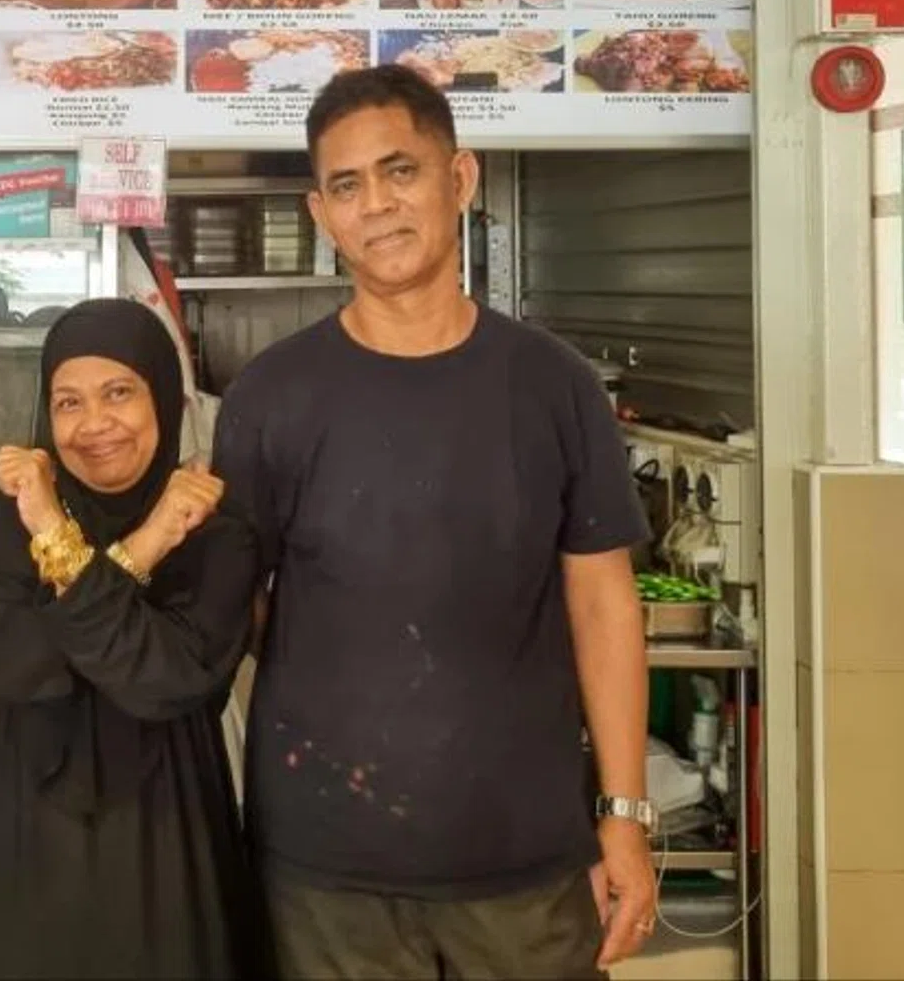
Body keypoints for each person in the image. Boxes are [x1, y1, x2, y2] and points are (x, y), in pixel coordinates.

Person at [215, 64, 657, 980]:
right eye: (347, 186)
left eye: (400, 170)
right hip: (328, 871)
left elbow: (605, 605)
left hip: (527, 860)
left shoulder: (554, 385)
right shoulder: (270, 398)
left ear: (460, 178)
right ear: (320, 215)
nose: (376, 205)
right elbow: (239, 601)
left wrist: (624, 814)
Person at [0, 299, 262, 980]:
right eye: (69, 402)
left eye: (119, 393)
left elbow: (163, 682)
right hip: (16, 832)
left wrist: (76, 565)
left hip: (168, 836)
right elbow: (22, 667)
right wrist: (138, 545)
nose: (94, 425)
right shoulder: (4, 521)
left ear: (163, 401)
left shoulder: (217, 535)